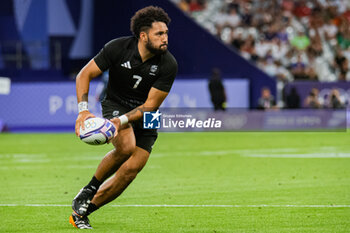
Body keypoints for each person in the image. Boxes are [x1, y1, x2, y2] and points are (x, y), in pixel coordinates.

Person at [69, 6, 177, 229]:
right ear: (143, 35)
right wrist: (83, 110)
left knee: (130, 171)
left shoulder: (168, 64)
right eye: (159, 34)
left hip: (148, 115)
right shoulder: (118, 48)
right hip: (116, 103)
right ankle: (89, 188)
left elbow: (150, 105)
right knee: (126, 146)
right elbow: (84, 74)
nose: (165, 38)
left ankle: (82, 212)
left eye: (166, 33)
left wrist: (121, 122)